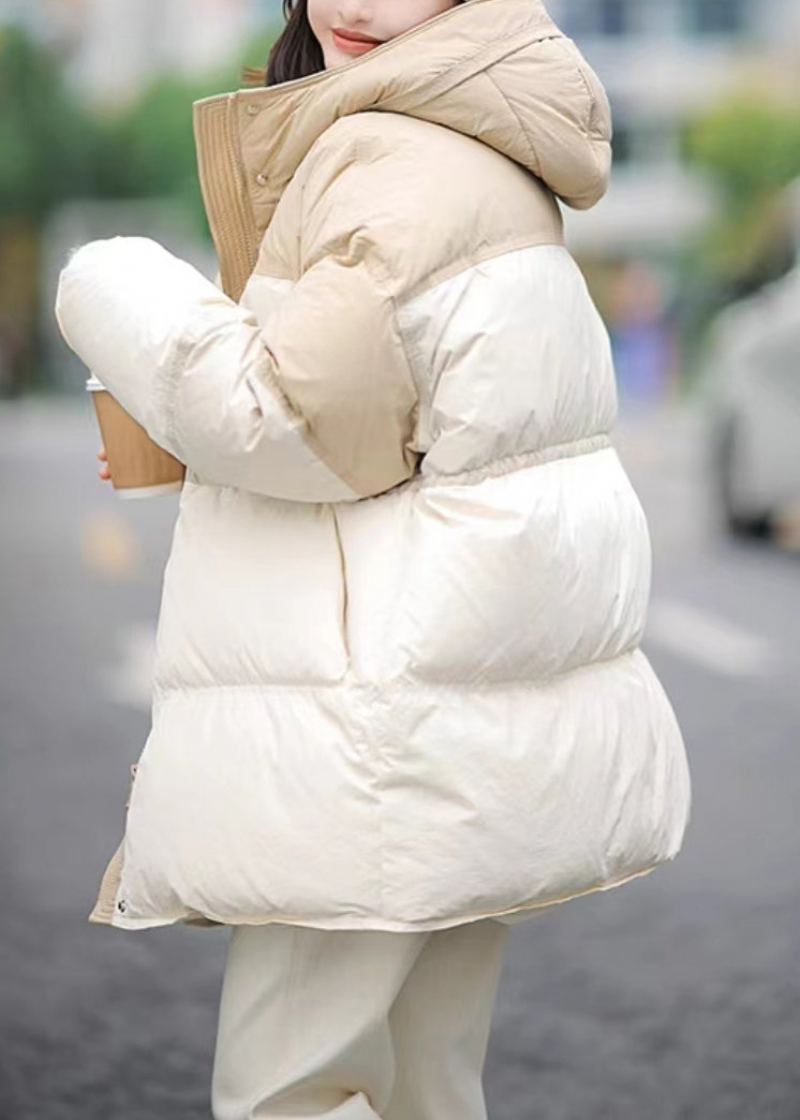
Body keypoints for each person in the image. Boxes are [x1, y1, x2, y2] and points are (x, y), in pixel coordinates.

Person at [55, 0, 692, 1116]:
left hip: (367, 735)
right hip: (441, 714)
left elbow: (290, 421)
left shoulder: (396, 148)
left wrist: (109, 285)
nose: (355, 6)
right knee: (423, 1082)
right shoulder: (484, 137)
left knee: (288, 1088)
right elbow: (414, 407)